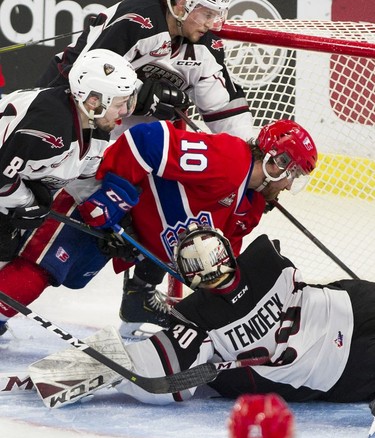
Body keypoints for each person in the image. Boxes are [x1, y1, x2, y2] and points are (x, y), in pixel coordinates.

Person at [36, 0, 256, 328]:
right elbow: (88, 80)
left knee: (179, 204)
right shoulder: (136, 21)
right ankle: (13, 288)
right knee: (51, 217)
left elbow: (224, 109)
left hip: (135, 141)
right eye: (206, 12)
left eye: (218, 14)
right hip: (76, 117)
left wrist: (249, 166)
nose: (213, 23)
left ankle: (139, 294)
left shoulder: (206, 46)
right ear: (181, 2)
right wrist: (140, 95)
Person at [0, 118, 317, 339]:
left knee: (71, 277)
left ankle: (139, 297)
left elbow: (215, 261)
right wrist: (116, 195)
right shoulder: (230, 160)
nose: (290, 186)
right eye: (294, 174)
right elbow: (146, 140)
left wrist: (227, 304)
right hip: (97, 195)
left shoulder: (252, 206)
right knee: (40, 268)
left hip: (132, 228)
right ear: (277, 163)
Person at [27, 223, 375, 413]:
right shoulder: (262, 256)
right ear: (227, 252)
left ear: (188, 276)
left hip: (333, 366)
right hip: (344, 309)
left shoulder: (194, 317)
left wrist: (74, 370)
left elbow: (154, 379)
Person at [0, 48, 138, 336]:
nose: (125, 113)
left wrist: (113, 225)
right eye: (121, 103)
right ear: (93, 100)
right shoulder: (49, 126)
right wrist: (26, 201)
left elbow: (82, 180)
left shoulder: (93, 128)